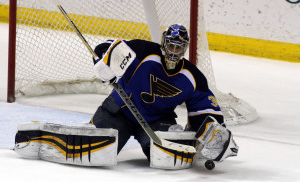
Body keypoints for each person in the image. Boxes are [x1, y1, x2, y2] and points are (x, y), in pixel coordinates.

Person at [91, 24, 238, 162]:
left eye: (178, 48)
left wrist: (214, 132)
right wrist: (106, 63)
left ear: (184, 49)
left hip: (156, 121)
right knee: (94, 151)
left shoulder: (193, 77)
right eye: (171, 46)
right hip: (119, 111)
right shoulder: (143, 51)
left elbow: (204, 108)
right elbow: (108, 46)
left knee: (170, 157)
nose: (173, 51)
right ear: (163, 43)